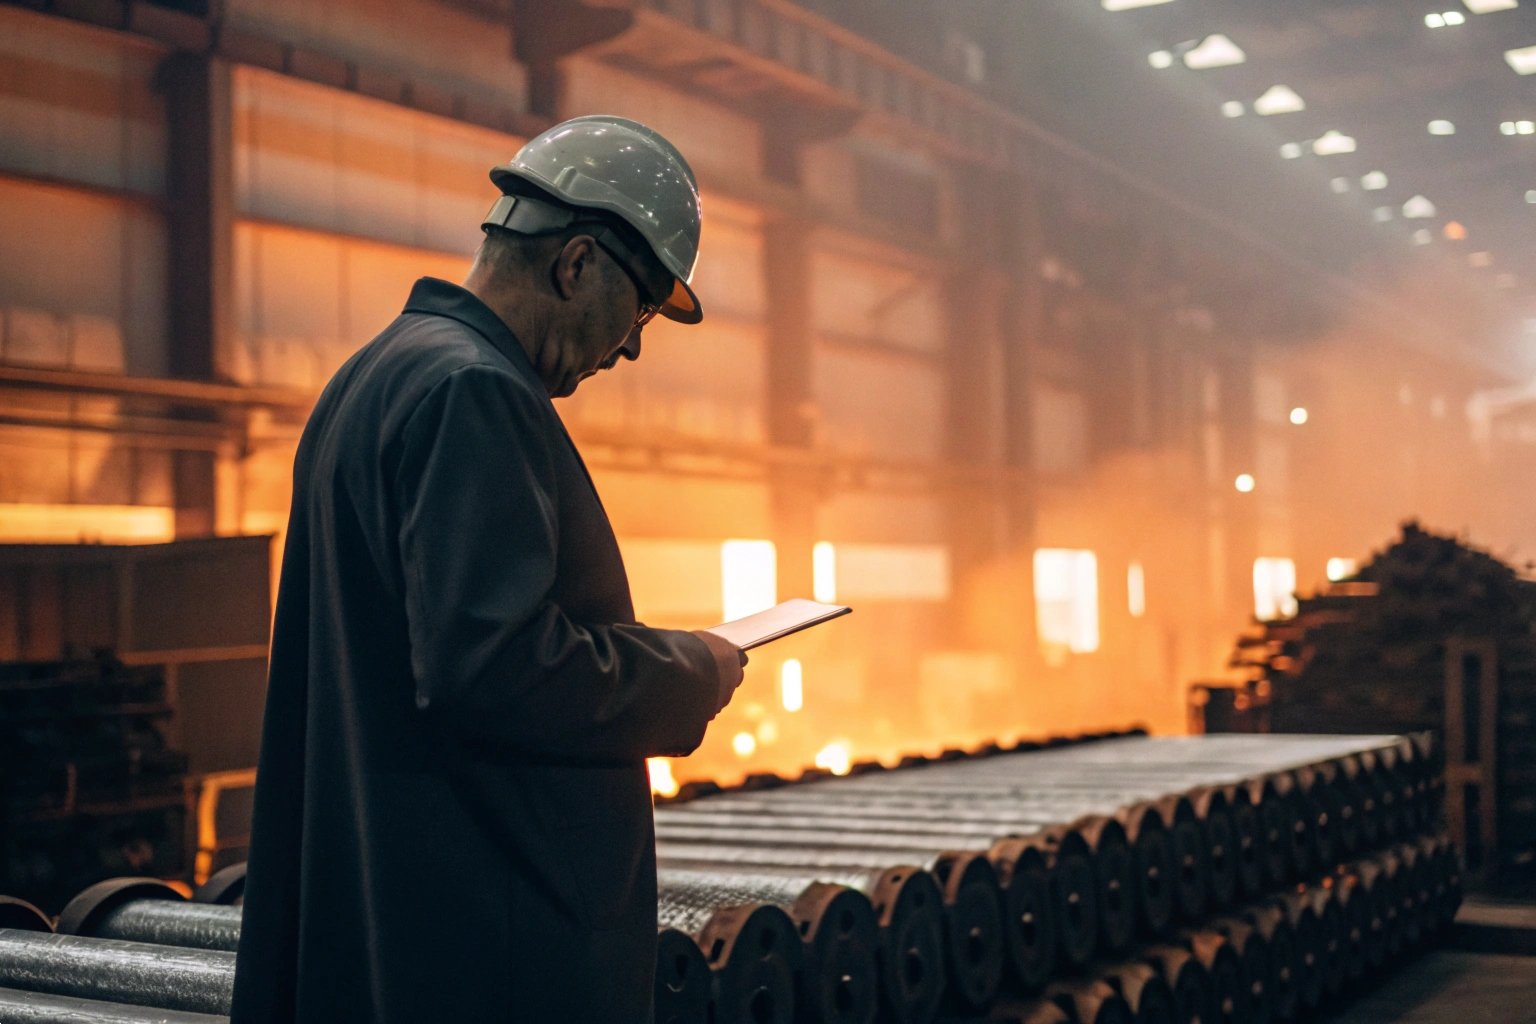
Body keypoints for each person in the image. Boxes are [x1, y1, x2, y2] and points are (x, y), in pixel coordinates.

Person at [230, 115, 746, 1023]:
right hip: (488, 945)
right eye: (638, 313)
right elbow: (496, 666)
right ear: (577, 261)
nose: (629, 348)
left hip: (400, 923)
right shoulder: (476, 392)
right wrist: (689, 671)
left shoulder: (375, 376)